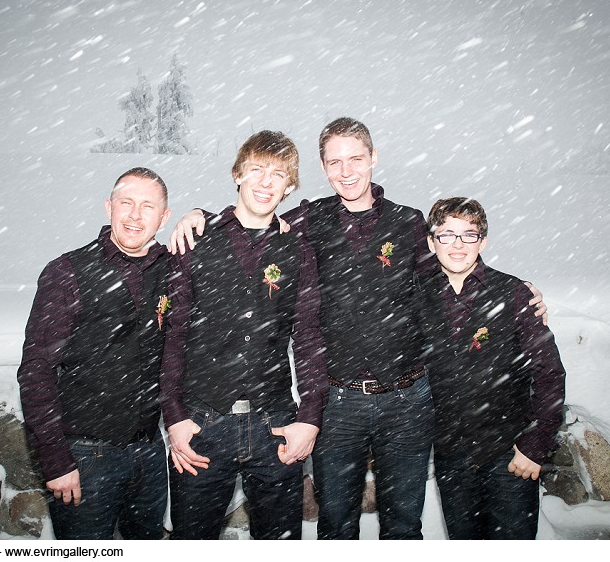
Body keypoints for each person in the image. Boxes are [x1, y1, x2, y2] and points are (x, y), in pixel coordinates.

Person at [168, 117, 547, 539]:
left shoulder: (408, 223)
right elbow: (257, 216)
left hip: (407, 402)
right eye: (335, 162)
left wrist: (512, 289)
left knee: (403, 525)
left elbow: (450, 265)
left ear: (374, 159)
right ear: (324, 167)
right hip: (339, 403)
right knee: (336, 524)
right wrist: (200, 216)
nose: (346, 171)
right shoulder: (309, 221)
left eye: (355, 159)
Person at [159, 130, 328, 540]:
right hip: (201, 424)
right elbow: (173, 334)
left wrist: (309, 418)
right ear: (237, 174)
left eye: (278, 174)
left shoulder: (297, 249)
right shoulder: (195, 240)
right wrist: (174, 416)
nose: (266, 182)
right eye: (256, 170)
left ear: (290, 186)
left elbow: (308, 337)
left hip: (275, 428)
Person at [17, 167, 172, 540]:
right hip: (85, 456)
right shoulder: (67, 272)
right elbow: (36, 370)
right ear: (108, 207)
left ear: (164, 217)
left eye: (148, 206)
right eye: (126, 203)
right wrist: (55, 460)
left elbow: (228, 237)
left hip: (150, 453)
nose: (135, 216)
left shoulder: (173, 269)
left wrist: (200, 215)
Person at [421, 197, 566, 539]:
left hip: (510, 453)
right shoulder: (417, 295)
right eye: (447, 235)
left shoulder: (513, 294)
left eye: (468, 235)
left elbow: (548, 372)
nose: (457, 245)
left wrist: (536, 444)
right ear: (432, 241)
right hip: (451, 454)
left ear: (482, 241)